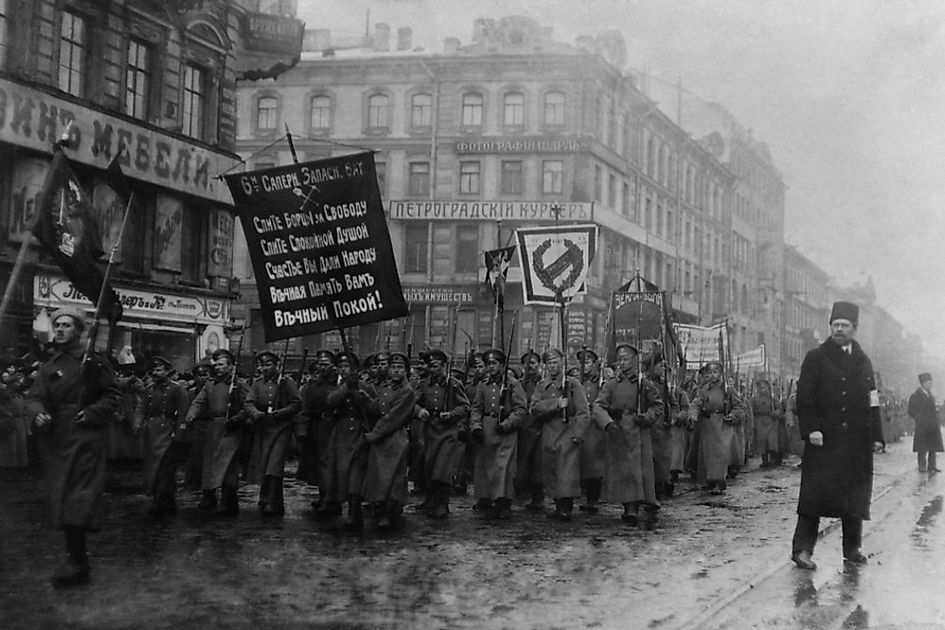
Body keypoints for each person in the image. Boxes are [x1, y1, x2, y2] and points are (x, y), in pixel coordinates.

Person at [25, 307, 121, 587]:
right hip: (57, 438)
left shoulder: (94, 362)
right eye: (57, 325)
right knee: (62, 494)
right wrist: (37, 413)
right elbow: (34, 397)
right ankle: (77, 558)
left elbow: (112, 395)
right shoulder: (49, 366)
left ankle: (76, 561)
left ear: (79, 331)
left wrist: (92, 413)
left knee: (78, 497)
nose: (60, 329)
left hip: (85, 437)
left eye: (67, 325)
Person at [791, 301, 885, 570]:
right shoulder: (816, 357)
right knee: (813, 498)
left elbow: (873, 400)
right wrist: (812, 429)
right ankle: (802, 550)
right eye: (835, 325)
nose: (839, 329)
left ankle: (852, 549)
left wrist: (876, 435)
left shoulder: (864, 361)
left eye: (844, 325)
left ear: (855, 328)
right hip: (824, 441)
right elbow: (805, 397)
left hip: (857, 441)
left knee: (855, 496)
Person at [593, 344, 664, 527]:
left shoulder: (644, 384)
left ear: (635, 360)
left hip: (638, 431)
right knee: (623, 471)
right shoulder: (611, 384)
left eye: (626, 359)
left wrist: (646, 417)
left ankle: (633, 507)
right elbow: (598, 406)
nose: (622, 363)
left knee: (636, 471)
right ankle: (627, 505)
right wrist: (608, 423)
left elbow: (657, 405)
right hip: (618, 431)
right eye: (620, 359)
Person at [184, 348, 250, 516]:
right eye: (216, 365)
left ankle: (228, 500)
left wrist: (238, 418)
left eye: (221, 365)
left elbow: (249, 405)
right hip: (213, 427)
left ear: (231, 366)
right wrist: (191, 415)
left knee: (228, 464)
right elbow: (198, 402)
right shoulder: (210, 385)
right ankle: (209, 496)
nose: (218, 368)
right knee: (210, 463)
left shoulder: (239, 385)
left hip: (231, 428)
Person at [529, 348, 589, 520]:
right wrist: (556, 403)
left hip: (568, 431)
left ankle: (566, 507)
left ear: (562, 362)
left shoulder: (573, 384)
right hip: (549, 432)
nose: (553, 366)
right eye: (549, 363)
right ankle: (557, 504)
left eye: (555, 362)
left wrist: (578, 433)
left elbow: (583, 411)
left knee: (567, 471)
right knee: (552, 469)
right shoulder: (542, 386)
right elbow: (534, 408)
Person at [468, 348, 528, 520]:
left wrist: (507, 424)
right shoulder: (483, 385)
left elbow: (521, 410)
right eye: (488, 364)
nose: (491, 367)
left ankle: (504, 503)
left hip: (505, 431)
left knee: (504, 469)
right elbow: (476, 408)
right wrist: (476, 426)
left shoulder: (513, 384)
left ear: (502, 365)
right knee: (486, 467)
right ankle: (487, 499)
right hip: (487, 429)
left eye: (494, 363)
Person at [324, 351, 378, 531]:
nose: (343, 370)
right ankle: (343, 505)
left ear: (355, 368)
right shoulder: (338, 386)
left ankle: (355, 512)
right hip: (341, 435)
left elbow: (375, 409)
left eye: (347, 366)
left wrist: (362, 397)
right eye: (340, 366)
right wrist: (347, 386)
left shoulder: (366, 386)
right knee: (342, 474)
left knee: (356, 475)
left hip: (359, 434)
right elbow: (330, 401)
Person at [244, 350, 302, 516]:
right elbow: (248, 403)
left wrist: (282, 412)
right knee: (264, 464)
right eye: (261, 365)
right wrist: (255, 413)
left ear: (277, 365)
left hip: (281, 428)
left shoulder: (286, 382)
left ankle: (273, 500)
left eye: (268, 364)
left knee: (274, 465)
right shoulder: (257, 384)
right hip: (263, 428)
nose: (264, 368)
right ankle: (265, 497)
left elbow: (297, 403)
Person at [363, 352, 417, 531]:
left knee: (394, 477)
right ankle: (379, 507)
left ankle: (390, 512)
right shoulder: (385, 387)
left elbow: (393, 417)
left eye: (400, 367)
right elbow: (378, 408)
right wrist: (363, 398)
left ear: (406, 371)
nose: (396, 371)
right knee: (379, 475)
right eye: (393, 367)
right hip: (381, 438)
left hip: (395, 438)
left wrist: (373, 435)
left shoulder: (407, 391)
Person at [414, 349, 469, 519]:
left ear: (444, 365)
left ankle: (442, 503)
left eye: (436, 366)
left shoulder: (454, 384)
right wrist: (419, 411)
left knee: (442, 468)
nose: (433, 370)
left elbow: (465, 406)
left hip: (447, 432)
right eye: (430, 366)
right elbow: (412, 403)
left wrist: (451, 414)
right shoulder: (423, 385)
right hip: (430, 430)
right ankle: (430, 500)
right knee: (429, 466)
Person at [132, 356, 190, 515]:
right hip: (152, 433)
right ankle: (167, 500)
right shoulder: (149, 389)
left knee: (165, 468)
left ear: (167, 371)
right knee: (153, 467)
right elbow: (141, 408)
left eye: (159, 370)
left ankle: (159, 501)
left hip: (168, 431)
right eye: (153, 370)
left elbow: (183, 414)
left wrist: (179, 433)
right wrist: (137, 423)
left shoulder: (177, 389)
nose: (155, 373)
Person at [689, 361, 747, 495]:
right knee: (707, 455)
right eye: (710, 372)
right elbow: (696, 403)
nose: (712, 375)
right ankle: (709, 480)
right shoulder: (704, 390)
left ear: (721, 374)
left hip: (723, 425)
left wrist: (733, 416)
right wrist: (693, 414)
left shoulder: (728, 390)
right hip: (707, 425)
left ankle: (719, 481)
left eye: (715, 372)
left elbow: (739, 406)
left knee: (720, 455)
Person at [297, 350, 337, 513]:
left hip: (333, 427)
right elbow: (305, 408)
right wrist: (302, 430)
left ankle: (331, 499)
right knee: (318, 464)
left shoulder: (338, 383)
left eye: (326, 364)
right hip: (316, 427)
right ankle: (323, 495)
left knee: (329, 464)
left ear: (333, 365)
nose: (323, 367)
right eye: (320, 364)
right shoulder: (312, 386)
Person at [576, 348, 606, 512]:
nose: (583, 366)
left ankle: (593, 499)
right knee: (583, 463)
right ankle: (587, 497)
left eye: (587, 362)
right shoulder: (577, 381)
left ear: (595, 364)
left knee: (594, 464)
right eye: (581, 363)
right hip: (580, 426)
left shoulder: (601, 382)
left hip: (595, 427)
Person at [516, 350, 544, 510]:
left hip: (540, 426)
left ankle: (538, 497)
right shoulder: (518, 384)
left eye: (533, 363)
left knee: (537, 465)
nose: (530, 367)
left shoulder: (543, 383)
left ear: (539, 365)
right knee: (522, 462)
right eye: (527, 364)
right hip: (522, 427)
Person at [908, 373, 943, 473]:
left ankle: (932, 466)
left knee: (933, 447)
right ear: (923, 383)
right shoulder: (915, 396)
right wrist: (919, 418)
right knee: (922, 448)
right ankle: (922, 466)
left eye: (931, 383)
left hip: (932, 425)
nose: (930, 385)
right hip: (922, 426)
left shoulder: (930, 395)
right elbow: (911, 410)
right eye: (928, 383)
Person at [751, 379, 785, 468]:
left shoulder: (773, 398)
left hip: (771, 421)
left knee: (771, 442)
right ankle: (765, 461)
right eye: (760, 388)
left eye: (764, 387)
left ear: (768, 388)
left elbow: (779, 409)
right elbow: (751, 411)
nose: (762, 389)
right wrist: (753, 421)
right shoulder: (754, 399)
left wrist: (776, 413)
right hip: (760, 422)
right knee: (762, 443)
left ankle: (773, 460)